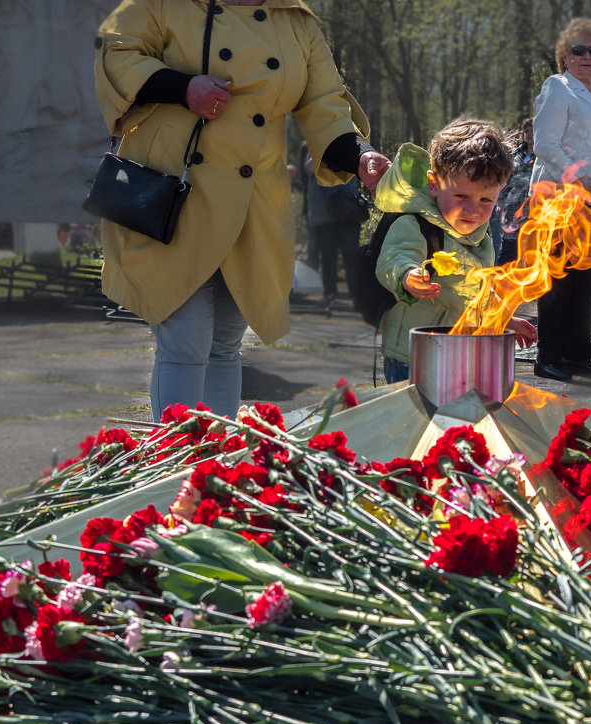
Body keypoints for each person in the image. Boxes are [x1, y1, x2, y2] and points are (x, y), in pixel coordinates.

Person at [94, 0, 391, 422]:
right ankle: (171, 469)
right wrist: (182, 88)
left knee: (227, 341)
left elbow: (325, 102)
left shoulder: (295, 21)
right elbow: (117, 50)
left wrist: (360, 157)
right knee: (186, 338)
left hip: (255, 202)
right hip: (174, 193)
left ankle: (215, 472)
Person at [373, 117, 537, 384]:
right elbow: (394, 257)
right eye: (461, 196)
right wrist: (408, 276)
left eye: (485, 200)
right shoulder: (415, 224)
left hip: (456, 352)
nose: (472, 211)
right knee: (419, 420)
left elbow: (477, 292)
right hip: (412, 354)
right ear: (434, 184)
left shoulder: (479, 237)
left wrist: (504, 319)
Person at [528, 17, 591, 382]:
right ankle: (548, 357)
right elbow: (545, 143)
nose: (586, 56)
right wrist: (578, 176)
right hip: (558, 196)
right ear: (564, 56)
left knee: (584, 278)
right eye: (577, 50)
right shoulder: (558, 88)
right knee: (556, 279)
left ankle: (576, 353)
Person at [305, 155, 370, 307]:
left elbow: (359, 166)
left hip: (348, 212)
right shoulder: (317, 146)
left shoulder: (347, 146)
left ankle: (356, 296)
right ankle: (330, 295)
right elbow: (309, 168)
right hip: (325, 216)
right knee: (328, 257)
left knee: (351, 256)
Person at [490, 118, 535, 268]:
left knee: (529, 257)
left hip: (533, 213)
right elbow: (506, 182)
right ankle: (498, 289)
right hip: (512, 211)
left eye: (532, 130)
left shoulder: (544, 154)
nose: (529, 134)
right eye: (526, 131)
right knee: (506, 257)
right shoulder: (516, 155)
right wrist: (500, 203)